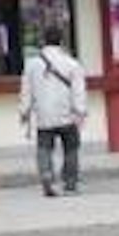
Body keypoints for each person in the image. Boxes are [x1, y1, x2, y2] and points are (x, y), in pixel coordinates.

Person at [18, 29, 87, 197]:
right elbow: (78, 91)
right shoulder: (72, 63)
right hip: (67, 115)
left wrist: (24, 110)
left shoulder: (32, 64)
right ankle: (70, 184)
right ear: (61, 42)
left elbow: (26, 90)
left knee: (44, 148)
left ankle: (47, 175)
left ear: (44, 42)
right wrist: (80, 111)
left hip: (43, 115)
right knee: (71, 148)